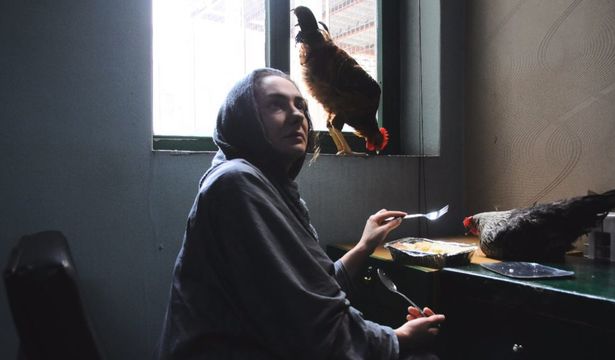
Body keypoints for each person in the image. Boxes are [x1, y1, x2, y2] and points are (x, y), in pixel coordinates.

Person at [157, 68, 445, 360]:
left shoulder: (271, 186)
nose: (297, 116)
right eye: (276, 104)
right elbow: (314, 321)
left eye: (301, 106)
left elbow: (309, 289)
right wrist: (397, 339)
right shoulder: (236, 183)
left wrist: (364, 245)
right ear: (244, 119)